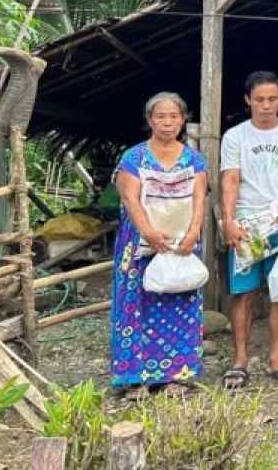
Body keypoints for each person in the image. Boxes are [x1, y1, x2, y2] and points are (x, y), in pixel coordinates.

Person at [110, 92, 207, 398]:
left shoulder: (194, 158)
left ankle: (176, 374)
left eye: (174, 116)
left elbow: (199, 197)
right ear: (150, 120)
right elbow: (129, 198)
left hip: (181, 243)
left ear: (182, 119)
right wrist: (148, 232)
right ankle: (134, 377)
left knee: (179, 300)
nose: (167, 123)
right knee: (136, 303)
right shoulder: (134, 158)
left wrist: (193, 232)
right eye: (161, 117)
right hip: (139, 243)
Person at [220, 71, 278, 388]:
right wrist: (227, 220)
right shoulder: (235, 137)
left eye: (272, 99)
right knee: (243, 294)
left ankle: (276, 358)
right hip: (246, 223)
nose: (266, 105)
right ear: (248, 100)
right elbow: (230, 180)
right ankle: (240, 361)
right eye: (260, 99)